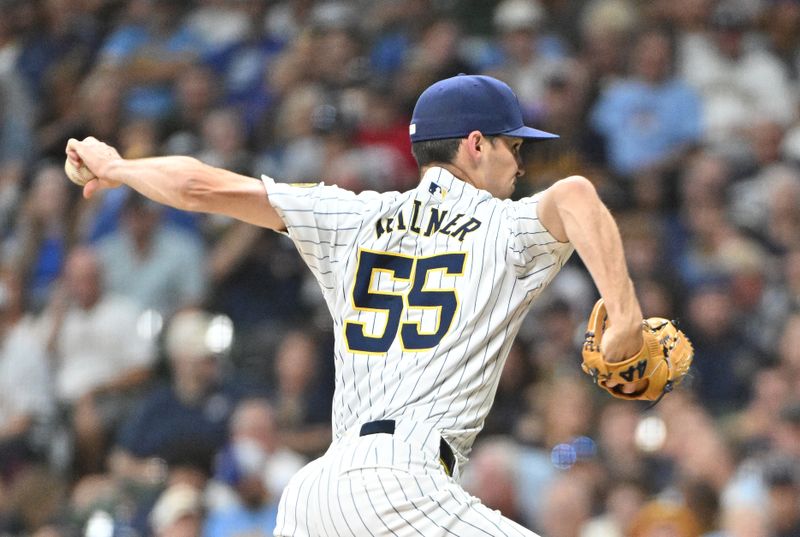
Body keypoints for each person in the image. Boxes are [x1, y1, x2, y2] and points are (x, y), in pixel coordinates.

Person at [66, 73, 647, 536]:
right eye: (513, 146)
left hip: (316, 496)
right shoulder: (505, 227)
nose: (521, 165)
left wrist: (120, 168)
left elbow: (201, 186)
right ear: (475, 145)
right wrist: (625, 317)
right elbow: (575, 196)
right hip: (406, 485)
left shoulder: (352, 216)